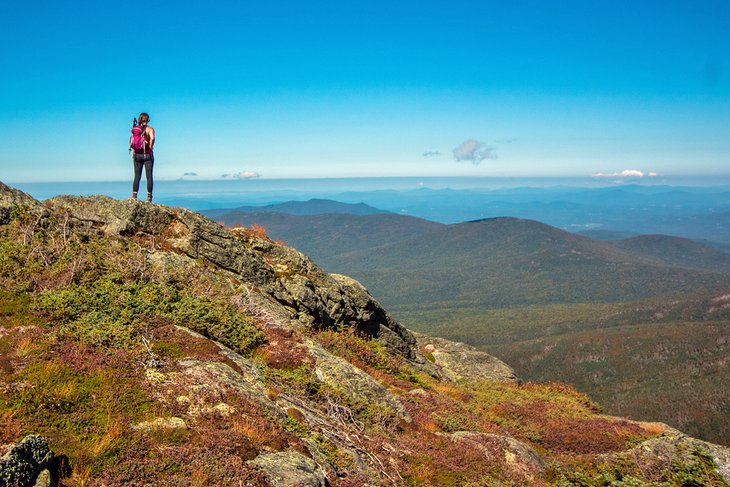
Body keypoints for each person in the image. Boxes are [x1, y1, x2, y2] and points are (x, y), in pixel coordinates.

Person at [131, 112, 156, 202]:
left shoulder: (135, 129)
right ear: (148, 119)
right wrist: (150, 146)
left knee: (137, 176)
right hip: (147, 154)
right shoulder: (150, 129)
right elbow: (152, 138)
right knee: (149, 176)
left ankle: (134, 195)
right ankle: (149, 197)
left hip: (137, 155)